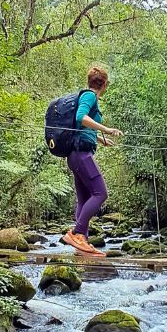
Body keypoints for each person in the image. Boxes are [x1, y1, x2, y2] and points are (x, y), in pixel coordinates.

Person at [61, 66, 123, 256]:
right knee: (100, 193)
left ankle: (82, 243)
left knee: (84, 198)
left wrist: (101, 139)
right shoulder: (89, 96)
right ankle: (77, 233)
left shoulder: (86, 96)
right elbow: (81, 118)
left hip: (76, 154)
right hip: (81, 155)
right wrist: (106, 129)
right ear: (104, 84)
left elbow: (82, 127)